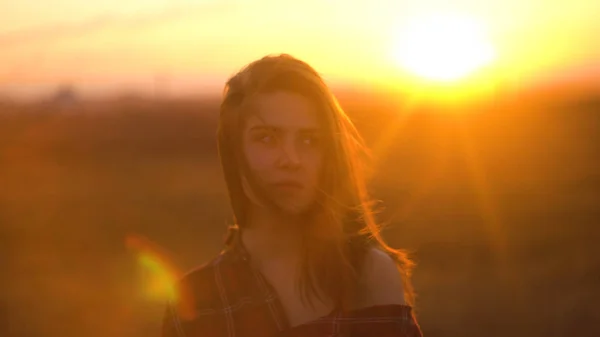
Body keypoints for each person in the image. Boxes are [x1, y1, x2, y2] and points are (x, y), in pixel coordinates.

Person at [161, 54, 423, 337]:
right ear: (234, 151)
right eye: (267, 138)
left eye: (309, 140)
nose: (291, 159)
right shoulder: (198, 300)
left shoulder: (368, 274)